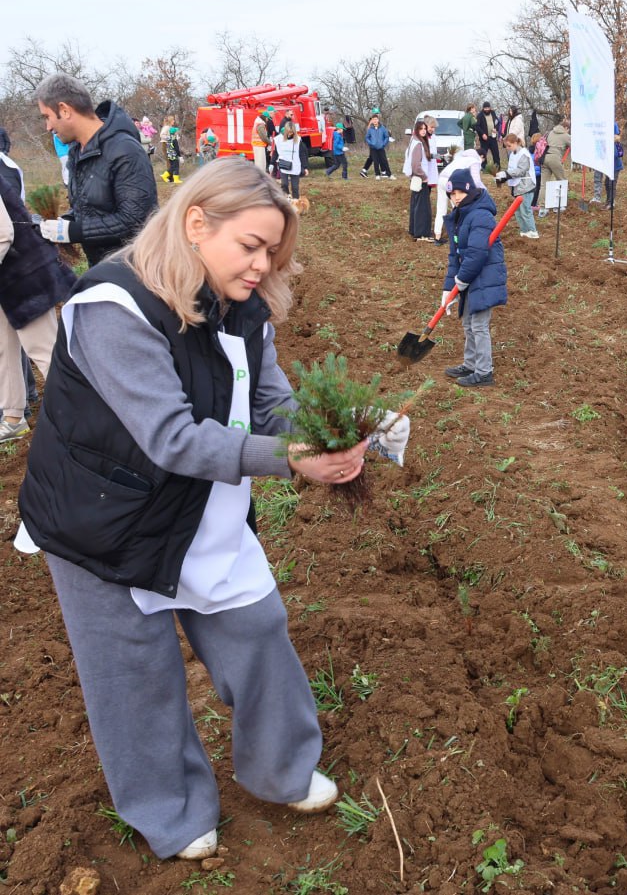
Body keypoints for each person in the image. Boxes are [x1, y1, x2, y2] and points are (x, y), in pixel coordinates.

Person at [16, 158, 410, 861]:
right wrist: (290, 459)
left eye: (273, 253)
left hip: (196, 506)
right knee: (134, 674)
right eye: (251, 246)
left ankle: (280, 768)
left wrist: (343, 426)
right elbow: (170, 437)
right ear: (197, 223)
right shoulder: (114, 306)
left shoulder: (241, 308)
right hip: (99, 522)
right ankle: (170, 811)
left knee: (256, 624)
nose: (262, 265)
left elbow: (270, 403)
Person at [35, 73, 157, 267]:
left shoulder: (125, 150)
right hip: (102, 268)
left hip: (136, 272)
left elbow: (136, 220)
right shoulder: (77, 151)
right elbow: (89, 207)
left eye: (47, 117)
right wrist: (62, 223)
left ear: (64, 110)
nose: (48, 126)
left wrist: (74, 232)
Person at [0, 155, 76, 441]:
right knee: (4, 349)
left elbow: (3, 234)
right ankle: (13, 417)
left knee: (43, 350)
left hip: (23, 273)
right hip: (5, 277)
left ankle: (79, 415)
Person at [440, 172, 508, 388]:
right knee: (468, 323)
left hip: (484, 276)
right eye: (452, 193)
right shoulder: (460, 215)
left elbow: (477, 254)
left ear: (470, 190)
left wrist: (461, 281)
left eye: (460, 192)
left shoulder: (480, 216)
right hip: (470, 275)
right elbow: (455, 256)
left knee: (479, 325)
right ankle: (470, 364)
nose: (456, 197)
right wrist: (448, 288)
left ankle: (484, 372)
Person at [435, 146, 483, 242]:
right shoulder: (474, 161)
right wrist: (483, 191)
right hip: (452, 181)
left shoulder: (460, 158)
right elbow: (476, 181)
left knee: (441, 208)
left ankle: (437, 236)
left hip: (441, 179)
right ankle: (459, 235)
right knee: (458, 209)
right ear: (481, 156)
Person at [496, 133, 538, 239]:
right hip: (517, 187)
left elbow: (521, 171)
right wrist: (503, 176)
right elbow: (511, 169)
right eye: (507, 146)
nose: (508, 148)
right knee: (518, 211)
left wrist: (506, 174)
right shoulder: (513, 154)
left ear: (515, 143)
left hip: (526, 186)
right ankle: (524, 230)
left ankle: (532, 231)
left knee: (525, 210)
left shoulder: (524, 154)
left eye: (509, 146)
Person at [405, 118, 438, 240]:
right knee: (422, 207)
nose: (424, 131)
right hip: (421, 179)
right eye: (421, 129)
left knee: (416, 204)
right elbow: (415, 164)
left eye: (425, 129)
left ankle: (414, 229)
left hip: (417, 178)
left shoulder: (417, 141)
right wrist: (424, 176)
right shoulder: (418, 144)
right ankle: (422, 233)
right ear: (417, 130)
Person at [539, 115, 570, 214]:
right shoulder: (565, 135)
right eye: (568, 130)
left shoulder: (550, 132)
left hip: (544, 158)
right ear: (566, 128)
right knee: (561, 181)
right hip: (555, 158)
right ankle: (559, 206)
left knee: (544, 184)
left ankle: (542, 208)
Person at [273, 119, 306, 201]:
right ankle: (287, 198)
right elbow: (276, 152)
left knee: (295, 187)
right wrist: (271, 163)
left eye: (292, 132)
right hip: (284, 165)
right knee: (284, 184)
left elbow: (303, 154)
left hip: (295, 165)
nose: (290, 134)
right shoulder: (279, 140)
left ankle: (296, 202)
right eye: (289, 132)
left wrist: (304, 167)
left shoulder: (298, 141)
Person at [361, 114, 391, 179]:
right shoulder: (370, 128)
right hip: (373, 147)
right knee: (375, 160)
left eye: (376, 119)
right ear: (372, 120)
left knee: (383, 160)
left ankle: (388, 174)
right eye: (373, 119)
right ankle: (377, 174)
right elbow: (367, 137)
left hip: (380, 146)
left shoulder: (382, 127)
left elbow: (386, 136)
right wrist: (370, 143)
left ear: (378, 119)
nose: (375, 120)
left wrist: (383, 144)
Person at [477, 103, 502, 169]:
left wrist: (495, 128)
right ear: (483, 108)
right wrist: (482, 134)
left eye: (488, 108)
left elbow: (497, 122)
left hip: (493, 137)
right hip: (484, 138)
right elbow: (477, 126)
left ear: (490, 108)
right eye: (485, 108)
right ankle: (484, 167)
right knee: (483, 153)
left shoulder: (493, 113)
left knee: (495, 152)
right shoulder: (480, 115)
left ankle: (497, 166)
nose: (487, 109)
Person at [528, 132, 547, 216]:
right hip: (538, 172)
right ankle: (534, 204)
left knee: (533, 188)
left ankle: (532, 203)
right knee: (538, 188)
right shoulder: (539, 149)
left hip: (532, 173)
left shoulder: (529, 150)